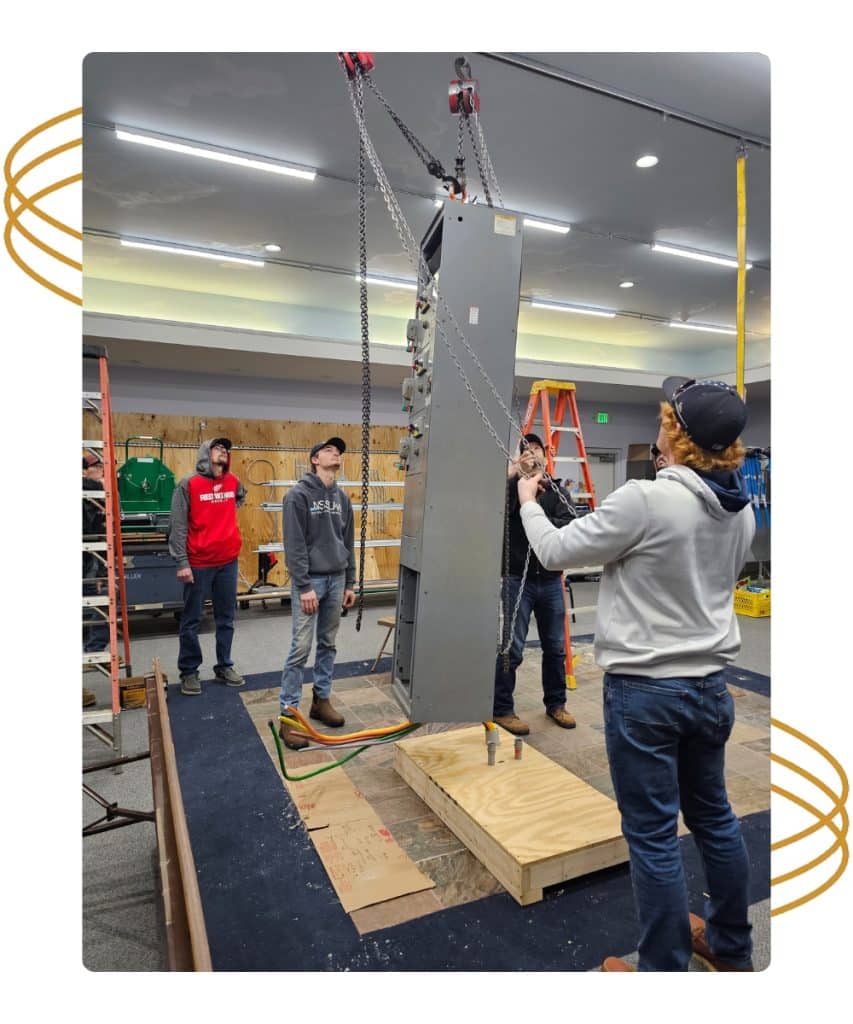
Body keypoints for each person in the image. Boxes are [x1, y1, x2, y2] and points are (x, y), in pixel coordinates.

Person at [518, 377, 755, 973]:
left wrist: (527, 500)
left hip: (647, 695)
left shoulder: (645, 500)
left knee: (652, 837)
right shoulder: (741, 509)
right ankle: (731, 947)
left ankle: (661, 975)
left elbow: (554, 552)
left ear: (676, 436)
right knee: (714, 818)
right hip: (710, 689)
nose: (657, 431)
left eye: (664, 422)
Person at [493, 433, 577, 735]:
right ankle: (502, 709)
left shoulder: (557, 491)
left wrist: (536, 515)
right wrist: (514, 478)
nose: (532, 454)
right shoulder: (509, 490)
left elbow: (570, 526)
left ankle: (556, 704)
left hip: (551, 580)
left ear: (545, 454)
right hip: (518, 579)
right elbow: (492, 508)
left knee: (555, 648)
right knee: (511, 648)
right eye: (526, 450)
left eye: (537, 449)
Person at [279, 437, 356, 749]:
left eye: (338, 451)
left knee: (328, 644)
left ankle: (320, 700)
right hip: (311, 582)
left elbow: (347, 542)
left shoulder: (343, 498)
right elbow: (294, 544)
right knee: (300, 648)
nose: (335, 453)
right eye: (328, 450)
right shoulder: (297, 496)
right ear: (314, 459)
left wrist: (350, 582)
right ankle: (289, 716)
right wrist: (304, 586)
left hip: (337, 579)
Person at [169, 438, 246, 696]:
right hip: (199, 563)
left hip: (228, 561)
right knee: (192, 619)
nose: (223, 451)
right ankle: (189, 671)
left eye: (226, 449)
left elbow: (240, 496)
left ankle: (224, 666)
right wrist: (182, 562)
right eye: (218, 448)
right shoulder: (188, 484)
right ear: (205, 453)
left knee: (226, 618)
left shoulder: (233, 481)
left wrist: (225, 522)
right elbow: (178, 525)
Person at [82, 452, 109, 707]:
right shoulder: (88, 489)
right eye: (96, 466)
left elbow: (103, 528)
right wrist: (97, 486)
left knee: (103, 604)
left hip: (95, 558)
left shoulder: (100, 492)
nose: (101, 469)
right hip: (85, 558)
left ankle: (94, 651)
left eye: (102, 465)